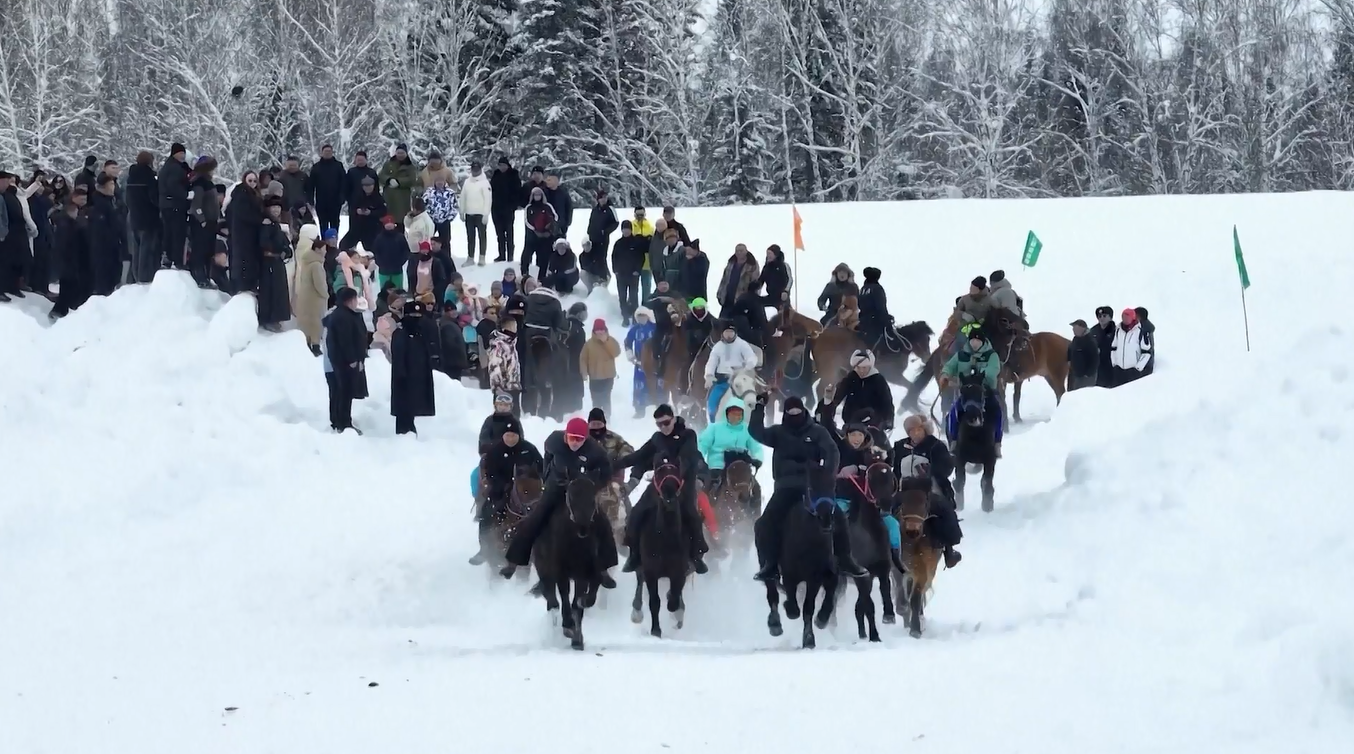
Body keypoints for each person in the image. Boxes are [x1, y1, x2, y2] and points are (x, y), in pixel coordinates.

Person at [748, 394, 867, 581]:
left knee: (838, 516)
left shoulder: (817, 431)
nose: (794, 415)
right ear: (786, 414)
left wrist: (828, 473)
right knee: (764, 523)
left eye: (797, 411)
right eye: (790, 412)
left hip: (814, 486)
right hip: (785, 487)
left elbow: (832, 451)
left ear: (803, 411)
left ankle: (845, 559)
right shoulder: (778, 432)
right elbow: (756, 431)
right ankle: (769, 564)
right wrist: (759, 407)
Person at [501, 417, 619, 589]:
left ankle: (603, 569)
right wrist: (548, 476)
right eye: (572, 438)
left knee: (602, 522)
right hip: (556, 488)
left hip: (581, 491)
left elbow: (606, 472)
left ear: (586, 438)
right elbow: (547, 457)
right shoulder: (553, 441)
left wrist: (592, 486)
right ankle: (514, 561)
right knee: (535, 518)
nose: (575, 443)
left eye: (580, 439)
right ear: (565, 436)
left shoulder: (596, 451)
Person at [615, 405, 710, 574]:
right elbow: (639, 456)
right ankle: (634, 554)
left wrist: (674, 466)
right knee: (637, 511)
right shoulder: (657, 438)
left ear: (673, 419)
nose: (664, 428)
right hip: (660, 485)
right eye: (659, 425)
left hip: (683, 485)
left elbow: (687, 457)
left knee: (691, 515)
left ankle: (696, 554)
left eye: (666, 423)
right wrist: (614, 465)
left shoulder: (688, 435)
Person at [469, 416, 545, 565]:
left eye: (514, 435)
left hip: (528, 489)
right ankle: (485, 548)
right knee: (487, 512)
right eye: (508, 435)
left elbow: (541, 468)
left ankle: (544, 547)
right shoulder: (495, 452)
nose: (510, 439)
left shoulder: (529, 450)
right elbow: (489, 473)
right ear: (503, 436)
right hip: (501, 488)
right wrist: (503, 485)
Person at [893, 415, 960, 567]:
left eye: (919, 430)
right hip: (905, 491)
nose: (916, 434)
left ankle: (949, 549)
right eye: (912, 431)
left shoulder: (935, 446)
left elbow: (947, 468)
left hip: (930, 490)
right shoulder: (899, 447)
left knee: (945, 511)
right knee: (885, 511)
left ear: (925, 430)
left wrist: (931, 470)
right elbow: (895, 470)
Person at [939, 326, 1003, 456]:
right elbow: (950, 366)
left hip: (986, 392)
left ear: (983, 342)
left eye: (978, 341)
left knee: (998, 412)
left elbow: (993, 370)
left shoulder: (991, 355)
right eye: (972, 340)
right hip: (966, 393)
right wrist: (945, 374)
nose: (975, 343)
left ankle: (997, 443)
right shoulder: (961, 355)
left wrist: (980, 375)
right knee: (952, 414)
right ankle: (954, 441)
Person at [323, 287, 370, 433]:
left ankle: (339, 420)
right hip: (344, 362)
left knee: (340, 392)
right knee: (344, 392)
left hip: (340, 361)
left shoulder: (344, 314)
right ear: (349, 300)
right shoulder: (342, 317)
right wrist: (352, 359)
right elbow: (345, 340)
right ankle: (343, 422)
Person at [390, 299, 440, 435]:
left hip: (418, 375)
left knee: (413, 405)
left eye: (419, 316)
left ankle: (410, 427)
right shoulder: (400, 333)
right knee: (404, 406)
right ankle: (403, 430)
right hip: (405, 377)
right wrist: (401, 375)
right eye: (413, 316)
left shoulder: (420, 333)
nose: (417, 320)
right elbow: (399, 356)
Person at [697, 397, 764, 494]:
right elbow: (702, 445)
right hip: (718, 468)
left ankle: (754, 509)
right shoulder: (714, 428)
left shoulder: (747, 430)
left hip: (741, 469)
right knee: (706, 490)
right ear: (727, 413)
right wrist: (699, 460)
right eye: (733, 414)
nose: (736, 417)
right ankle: (704, 508)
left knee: (756, 489)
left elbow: (756, 447)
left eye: (739, 414)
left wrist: (758, 459)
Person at [823, 349, 894, 431]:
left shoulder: (878, 380)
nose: (861, 371)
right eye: (858, 367)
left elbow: (887, 402)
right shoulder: (851, 377)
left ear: (870, 366)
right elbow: (837, 395)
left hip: (873, 425)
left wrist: (888, 420)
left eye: (864, 367)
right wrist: (826, 410)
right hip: (851, 423)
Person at [704, 321, 759, 423]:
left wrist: (748, 366)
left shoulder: (742, 344)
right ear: (722, 333)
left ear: (735, 333)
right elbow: (711, 362)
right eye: (726, 333)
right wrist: (709, 375)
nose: (729, 335)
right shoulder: (718, 347)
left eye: (731, 332)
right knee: (712, 403)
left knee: (751, 396)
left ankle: (753, 422)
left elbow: (751, 357)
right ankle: (713, 424)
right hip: (722, 381)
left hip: (740, 377)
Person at [256, 196, 292, 330]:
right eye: (274, 207)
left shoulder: (275, 224)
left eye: (278, 207)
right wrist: (279, 250)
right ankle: (269, 319)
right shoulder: (266, 224)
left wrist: (285, 251)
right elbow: (264, 243)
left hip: (277, 262)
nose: (276, 210)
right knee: (270, 291)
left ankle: (276, 318)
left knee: (279, 291)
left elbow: (286, 245)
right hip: (268, 262)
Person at [580, 319, 621, 415]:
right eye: (598, 330)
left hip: (608, 376)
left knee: (606, 398)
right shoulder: (589, 344)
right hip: (595, 377)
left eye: (602, 330)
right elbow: (583, 359)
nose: (600, 332)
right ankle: (597, 417)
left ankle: (607, 418)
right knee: (596, 400)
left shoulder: (611, 340)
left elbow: (616, 352)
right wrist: (584, 372)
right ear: (594, 331)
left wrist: (606, 342)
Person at [612, 220, 647, 325]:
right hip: (621, 275)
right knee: (622, 296)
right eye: (624, 229)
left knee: (633, 296)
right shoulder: (618, 243)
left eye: (628, 229)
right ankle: (625, 317)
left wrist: (637, 270)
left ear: (631, 230)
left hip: (633, 274)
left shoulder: (636, 242)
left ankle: (635, 316)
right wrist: (616, 270)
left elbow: (641, 257)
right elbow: (614, 257)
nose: (626, 231)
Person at [625, 306, 657, 418]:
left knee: (654, 384)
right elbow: (627, 342)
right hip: (639, 362)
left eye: (643, 316)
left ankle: (657, 408)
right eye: (639, 316)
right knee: (639, 385)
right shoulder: (634, 329)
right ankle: (639, 409)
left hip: (654, 362)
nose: (641, 318)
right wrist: (630, 354)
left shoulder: (655, 328)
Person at [343, 175, 387, 253]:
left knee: (372, 248)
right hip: (357, 227)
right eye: (366, 186)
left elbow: (383, 211)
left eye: (370, 186)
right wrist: (357, 211)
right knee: (344, 245)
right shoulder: (357, 197)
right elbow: (351, 210)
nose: (368, 188)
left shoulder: (378, 198)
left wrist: (371, 213)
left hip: (372, 228)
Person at [487, 318, 524, 412]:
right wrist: (498, 387)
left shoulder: (511, 343)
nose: (515, 328)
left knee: (515, 416)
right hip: (504, 388)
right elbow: (495, 366)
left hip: (513, 387)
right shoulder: (499, 345)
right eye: (513, 326)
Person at [1110, 307, 1152, 386]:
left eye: (1127, 317)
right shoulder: (1118, 329)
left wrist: (1138, 368)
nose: (1125, 319)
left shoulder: (1140, 331)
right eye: (1123, 317)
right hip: (1119, 370)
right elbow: (1113, 348)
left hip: (1133, 371)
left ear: (1132, 318)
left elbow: (1146, 352)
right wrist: (1114, 363)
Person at [490, 157, 520, 263]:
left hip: (508, 208)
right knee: (499, 233)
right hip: (496, 208)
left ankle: (510, 255)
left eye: (503, 165)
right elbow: (491, 190)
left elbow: (517, 191)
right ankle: (501, 254)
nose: (502, 167)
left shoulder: (514, 175)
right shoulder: (496, 174)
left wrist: (513, 206)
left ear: (507, 165)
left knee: (509, 233)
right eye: (500, 165)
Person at [310, 145, 346, 235]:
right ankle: (324, 244)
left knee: (335, 224)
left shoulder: (338, 165)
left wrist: (342, 196)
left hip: (335, 201)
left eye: (329, 151)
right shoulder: (316, 167)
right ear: (321, 153)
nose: (327, 153)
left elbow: (344, 182)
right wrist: (310, 199)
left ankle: (333, 243)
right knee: (323, 224)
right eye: (325, 151)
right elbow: (311, 184)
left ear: (332, 153)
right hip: (321, 201)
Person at [461, 160, 491, 266]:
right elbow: (463, 197)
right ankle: (470, 257)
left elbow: (488, 199)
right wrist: (462, 211)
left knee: (482, 236)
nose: (475, 171)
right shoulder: (467, 182)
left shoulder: (484, 182)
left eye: (477, 169)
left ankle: (482, 257)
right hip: (469, 214)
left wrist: (486, 214)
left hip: (480, 214)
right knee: (470, 237)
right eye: (473, 169)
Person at [379, 144, 419, 221]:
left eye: (402, 153)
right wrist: (388, 180)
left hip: (403, 197)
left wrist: (399, 182)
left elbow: (412, 180)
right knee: (387, 219)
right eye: (398, 153)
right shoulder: (388, 164)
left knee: (401, 220)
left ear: (406, 154)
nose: (400, 155)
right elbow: (381, 175)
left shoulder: (410, 166)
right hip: (388, 196)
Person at [585, 188, 618, 282]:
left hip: (603, 238)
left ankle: (604, 277)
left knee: (601, 258)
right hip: (593, 238)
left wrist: (606, 231)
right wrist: (589, 232)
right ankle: (596, 277)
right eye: (601, 198)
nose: (603, 199)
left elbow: (615, 222)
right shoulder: (595, 210)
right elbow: (591, 222)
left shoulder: (610, 209)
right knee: (593, 258)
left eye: (605, 197)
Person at [682, 298, 716, 389]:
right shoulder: (688, 320)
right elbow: (685, 333)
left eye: (701, 307)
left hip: (708, 349)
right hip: (693, 349)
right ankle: (684, 390)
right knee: (686, 368)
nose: (699, 310)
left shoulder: (711, 319)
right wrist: (694, 335)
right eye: (697, 308)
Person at [717, 244, 760, 313]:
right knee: (722, 322)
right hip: (727, 301)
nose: (739, 253)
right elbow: (724, 280)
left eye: (741, 251)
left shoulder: (752, 265)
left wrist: (751, 302)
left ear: (746, 251)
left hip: (742, 302)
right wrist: (719, 294)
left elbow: (756, 284)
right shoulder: (731, 263)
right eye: (737, 251)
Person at [1067, 318, 1100, 391]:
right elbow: (1070, 349)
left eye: (1075, 327)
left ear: (1082, 328)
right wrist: (1069, 360)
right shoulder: (1075, 339)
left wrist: (1088, 374)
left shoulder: (1090, 341)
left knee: (1084, 397)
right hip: (1076, 375)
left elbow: (1095, 360)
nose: (1073, 330)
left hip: (1086, 378)